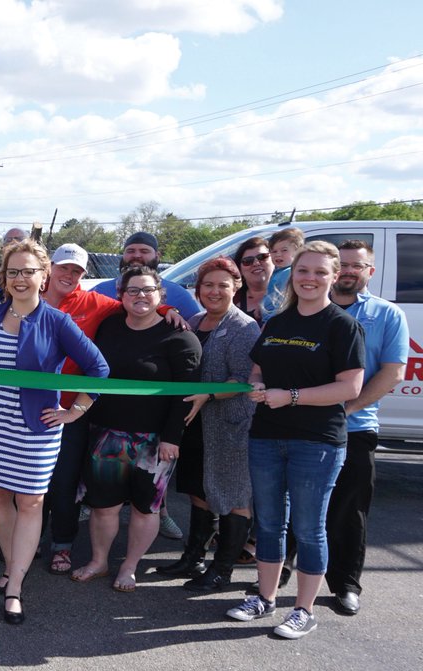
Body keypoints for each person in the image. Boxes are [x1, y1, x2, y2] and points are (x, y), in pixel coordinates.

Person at [0, 240, 108, 623]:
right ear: (4, 277)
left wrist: (74, 412)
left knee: (31, 502)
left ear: (44, 276)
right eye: (13, 272)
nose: (20, 279)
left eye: (28, 271)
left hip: (36, 427)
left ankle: (16, 587)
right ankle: (9, 568)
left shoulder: (57, 321)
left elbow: (98, 368)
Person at [227, 242, 364, 639]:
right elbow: (257, 368)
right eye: (304, 271)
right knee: (269, 523)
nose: (310, 279)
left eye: (320, 272)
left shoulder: (342, 325)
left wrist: (292, 397)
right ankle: (264, 598)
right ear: (294, 274)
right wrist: (256, 386)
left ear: (334, 277)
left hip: (316, 441)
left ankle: (303, 610)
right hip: (267, 436)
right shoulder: (277, 323)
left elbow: (349, 387)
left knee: (309, 528)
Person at [38, 243, 183, 576]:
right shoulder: (27, 298)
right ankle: (25, 541)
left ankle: (62, 545)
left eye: (76, 271)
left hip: (71, 411)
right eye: (63, 268)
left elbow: (138, 302)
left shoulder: (93, 303)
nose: (69, 275)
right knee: (27, 482)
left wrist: (166, 310)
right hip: (27, 407)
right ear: (49, 268)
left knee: (64, 481)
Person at [71, 264, 202, 593]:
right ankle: (99, 562)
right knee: (104, 506)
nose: (140, 296)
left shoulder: (181, 338)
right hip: (106, 434)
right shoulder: (109, 325)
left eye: (148, 290)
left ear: (161, 295)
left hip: (155, 441)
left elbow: (185, 397)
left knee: (146, 507)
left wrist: (173, 438)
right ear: (120, 296)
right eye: (132, 290)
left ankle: (129, 567)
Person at [159, 257, 260, 591]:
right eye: (208, 285)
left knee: (234, 497)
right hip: (196, 424)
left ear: (236, 287)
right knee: (198, 491)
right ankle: (193, 558)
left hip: (228, 425)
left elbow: (243, 380)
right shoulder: (196, 319)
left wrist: (208, 396)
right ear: (198, 289)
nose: (214, 291)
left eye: (222, 285)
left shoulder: (243, 327)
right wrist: (166, 312)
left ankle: (222, 569)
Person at [324, 240, 408, 615]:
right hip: (297, 425)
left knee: (349, 509)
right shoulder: (303, 310)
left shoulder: (387, 315)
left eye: (357, 265)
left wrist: (349, 408)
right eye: (341, 264)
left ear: (369, 272)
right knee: (293, 505)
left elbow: (392, 372)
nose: (348, 270)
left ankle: (345, 583)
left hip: (354, 427)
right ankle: (283, 571)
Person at [260, 227, 306, 319]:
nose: (278, 254)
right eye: (274, 251)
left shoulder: (289, 273)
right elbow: (270, 296)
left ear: (297, 251)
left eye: (284, 250)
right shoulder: (279, 272)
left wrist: (270, 322)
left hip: (276, 320)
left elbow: (282, 303)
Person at [232, 236, 271, 320]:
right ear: (240, 270)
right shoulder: (232, 302)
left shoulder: (291, 290)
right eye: (247, 261)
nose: (256, 263)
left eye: (262, 257)